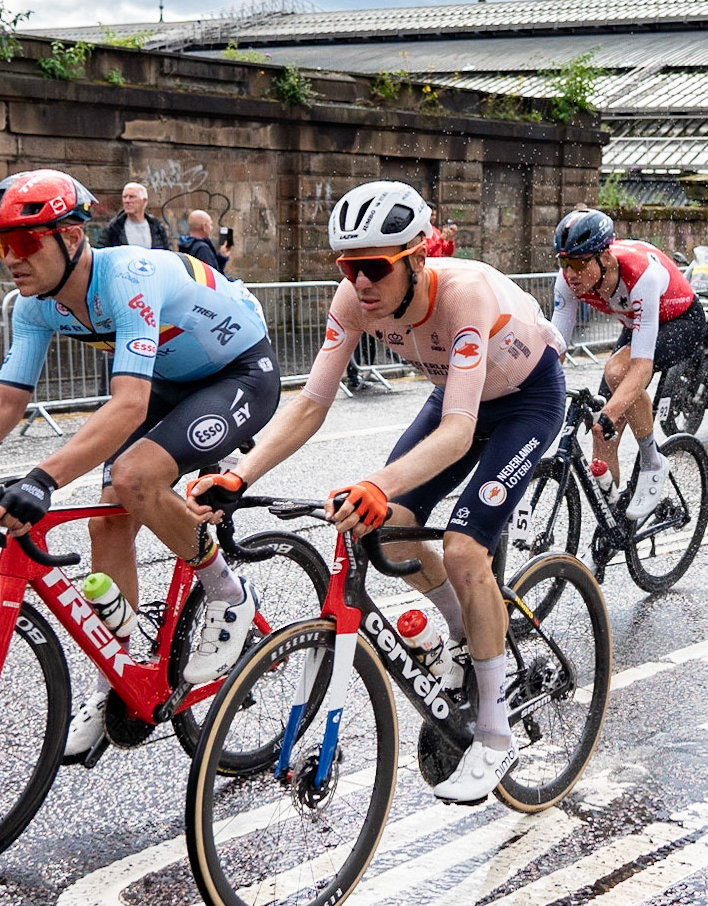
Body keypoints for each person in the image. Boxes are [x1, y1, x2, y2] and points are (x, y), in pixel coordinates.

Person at [0, 169, 281, 759]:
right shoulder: (35, 307)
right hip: (168, 379)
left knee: (136, 476)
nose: (12, 258)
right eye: (1, 244)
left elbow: (128, 403)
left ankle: (228, 590)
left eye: (26, 242)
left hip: (237, 372)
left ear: (73, 236)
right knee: (108, 517)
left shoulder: (127, 279)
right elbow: (5, 404)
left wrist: (42, 479)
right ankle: (119, 676)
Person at [185, 181, 566, 804]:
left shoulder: (464, 292)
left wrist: (374, 482)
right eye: (348, 267)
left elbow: (458, 434)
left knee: (467, 549)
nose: (361, 283)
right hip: (456, 399)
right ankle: (462, 635)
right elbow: (310, 403)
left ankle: (496, 737)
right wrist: (241, 474)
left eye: (374, 268)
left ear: (417, 258)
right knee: (386, 529)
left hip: (526, 401)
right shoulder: (354, 301)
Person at [549, 209, 704, 520]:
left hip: (681, 321)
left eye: (579, 263)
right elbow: (556, 348)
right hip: (637, 323)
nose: (570, 274)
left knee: (619, 373)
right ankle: (612, 524)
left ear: (605, 257)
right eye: (563, 263)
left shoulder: (639, 275)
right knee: (601, 436)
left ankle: (653, 460)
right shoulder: (568, 282)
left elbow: (641, 367)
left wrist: (611, 412)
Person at [97, 181, 170, 250]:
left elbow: (167, 255)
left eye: (132, 197)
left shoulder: (157, 227)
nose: (127, 201)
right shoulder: (113, 228)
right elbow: (102, 254)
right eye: (124, 197)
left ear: (144, 201)